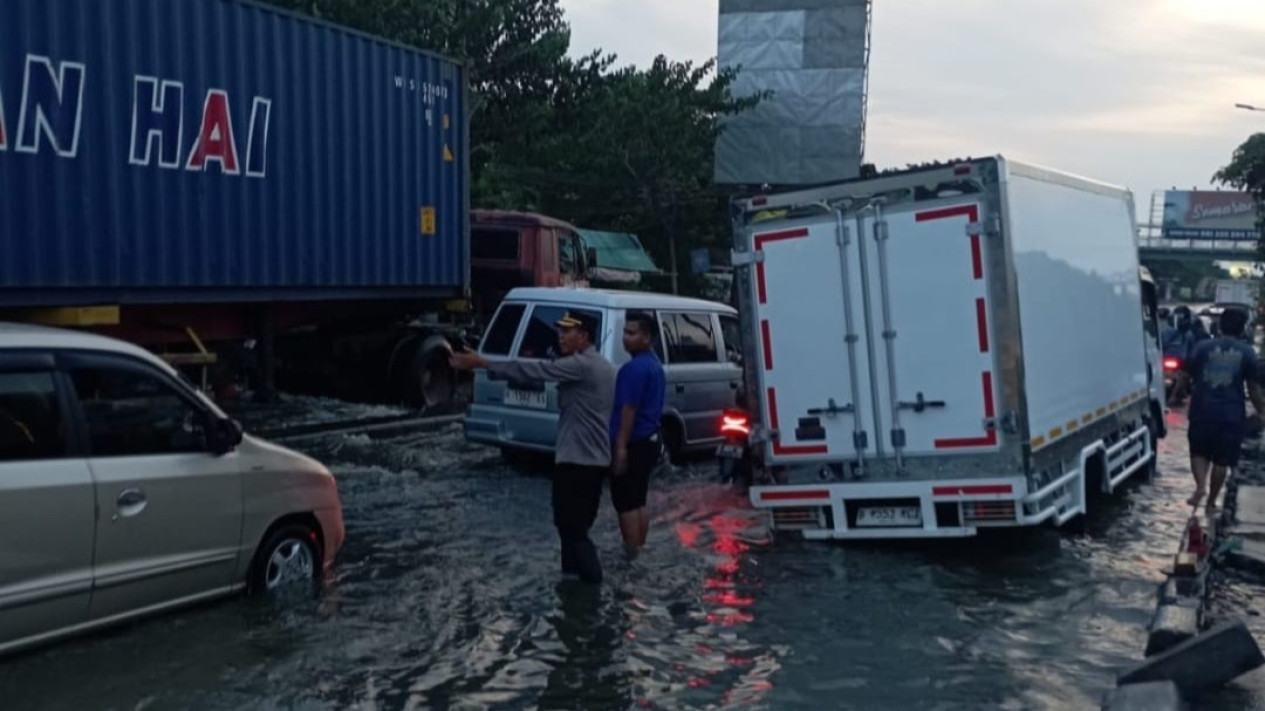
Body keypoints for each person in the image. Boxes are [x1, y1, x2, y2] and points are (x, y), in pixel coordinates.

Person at [450, 312, 615, 584]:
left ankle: (593, 592)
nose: (561, 336)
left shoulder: (581, 365)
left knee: (574, 530)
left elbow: (535, 370)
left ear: (584, 336)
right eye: (560, 331)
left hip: (579, 462)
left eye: (568, 332)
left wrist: (483, 363)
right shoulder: (601, 365)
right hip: (586, 460)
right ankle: (572, 582)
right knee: (568, 527)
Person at [1181, 306, 1265, 512]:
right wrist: (1262, 410)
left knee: (1198, 452)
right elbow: (1253, 388)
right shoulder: (1247, 353)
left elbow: (1184, 376)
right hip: (1231, 414)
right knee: (1222, 459)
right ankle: (1211, 501)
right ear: (1243, 328)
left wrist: (1176, 396)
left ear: (1219, 326)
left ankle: (1199, 487)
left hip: (1202, 409)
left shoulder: (1201, 347)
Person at [609, 311, 666, 559]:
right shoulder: (655, 365)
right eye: (624, 332)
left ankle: (631, 553)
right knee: (638, 499)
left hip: (633, 442)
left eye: (631, 333)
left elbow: (628, 411)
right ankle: (639, 547)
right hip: (649, 441)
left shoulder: (632, 370)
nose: (625, 338)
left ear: (647, 337)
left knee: (626, 503)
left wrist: (620, 448)